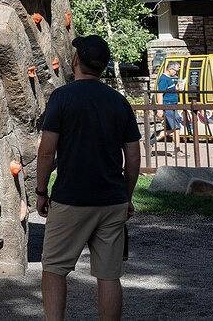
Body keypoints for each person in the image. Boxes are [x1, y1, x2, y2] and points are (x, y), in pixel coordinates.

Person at [36, 35, 141, 321]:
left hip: (71, 198)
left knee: (54, 268)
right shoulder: (119, 103)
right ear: (103, 67)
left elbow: (46, 152)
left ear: (75, 61)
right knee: (109, 276)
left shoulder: (62, 98)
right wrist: (127, 196)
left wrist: (41, 191)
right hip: (111, 201)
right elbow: (133, 157)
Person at [155, 62, 184, 154]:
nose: (176, 73)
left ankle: (150, 141)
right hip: (168, 105)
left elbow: (170, 90)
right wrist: (160, 109)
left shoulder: (170, 78)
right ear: (170, 69)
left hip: (173, 105)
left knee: (171, 129)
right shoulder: (163, 79)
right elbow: (160, 94)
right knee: (176, 128)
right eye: (175, 71)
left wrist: (178, 88)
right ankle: (177, 150)